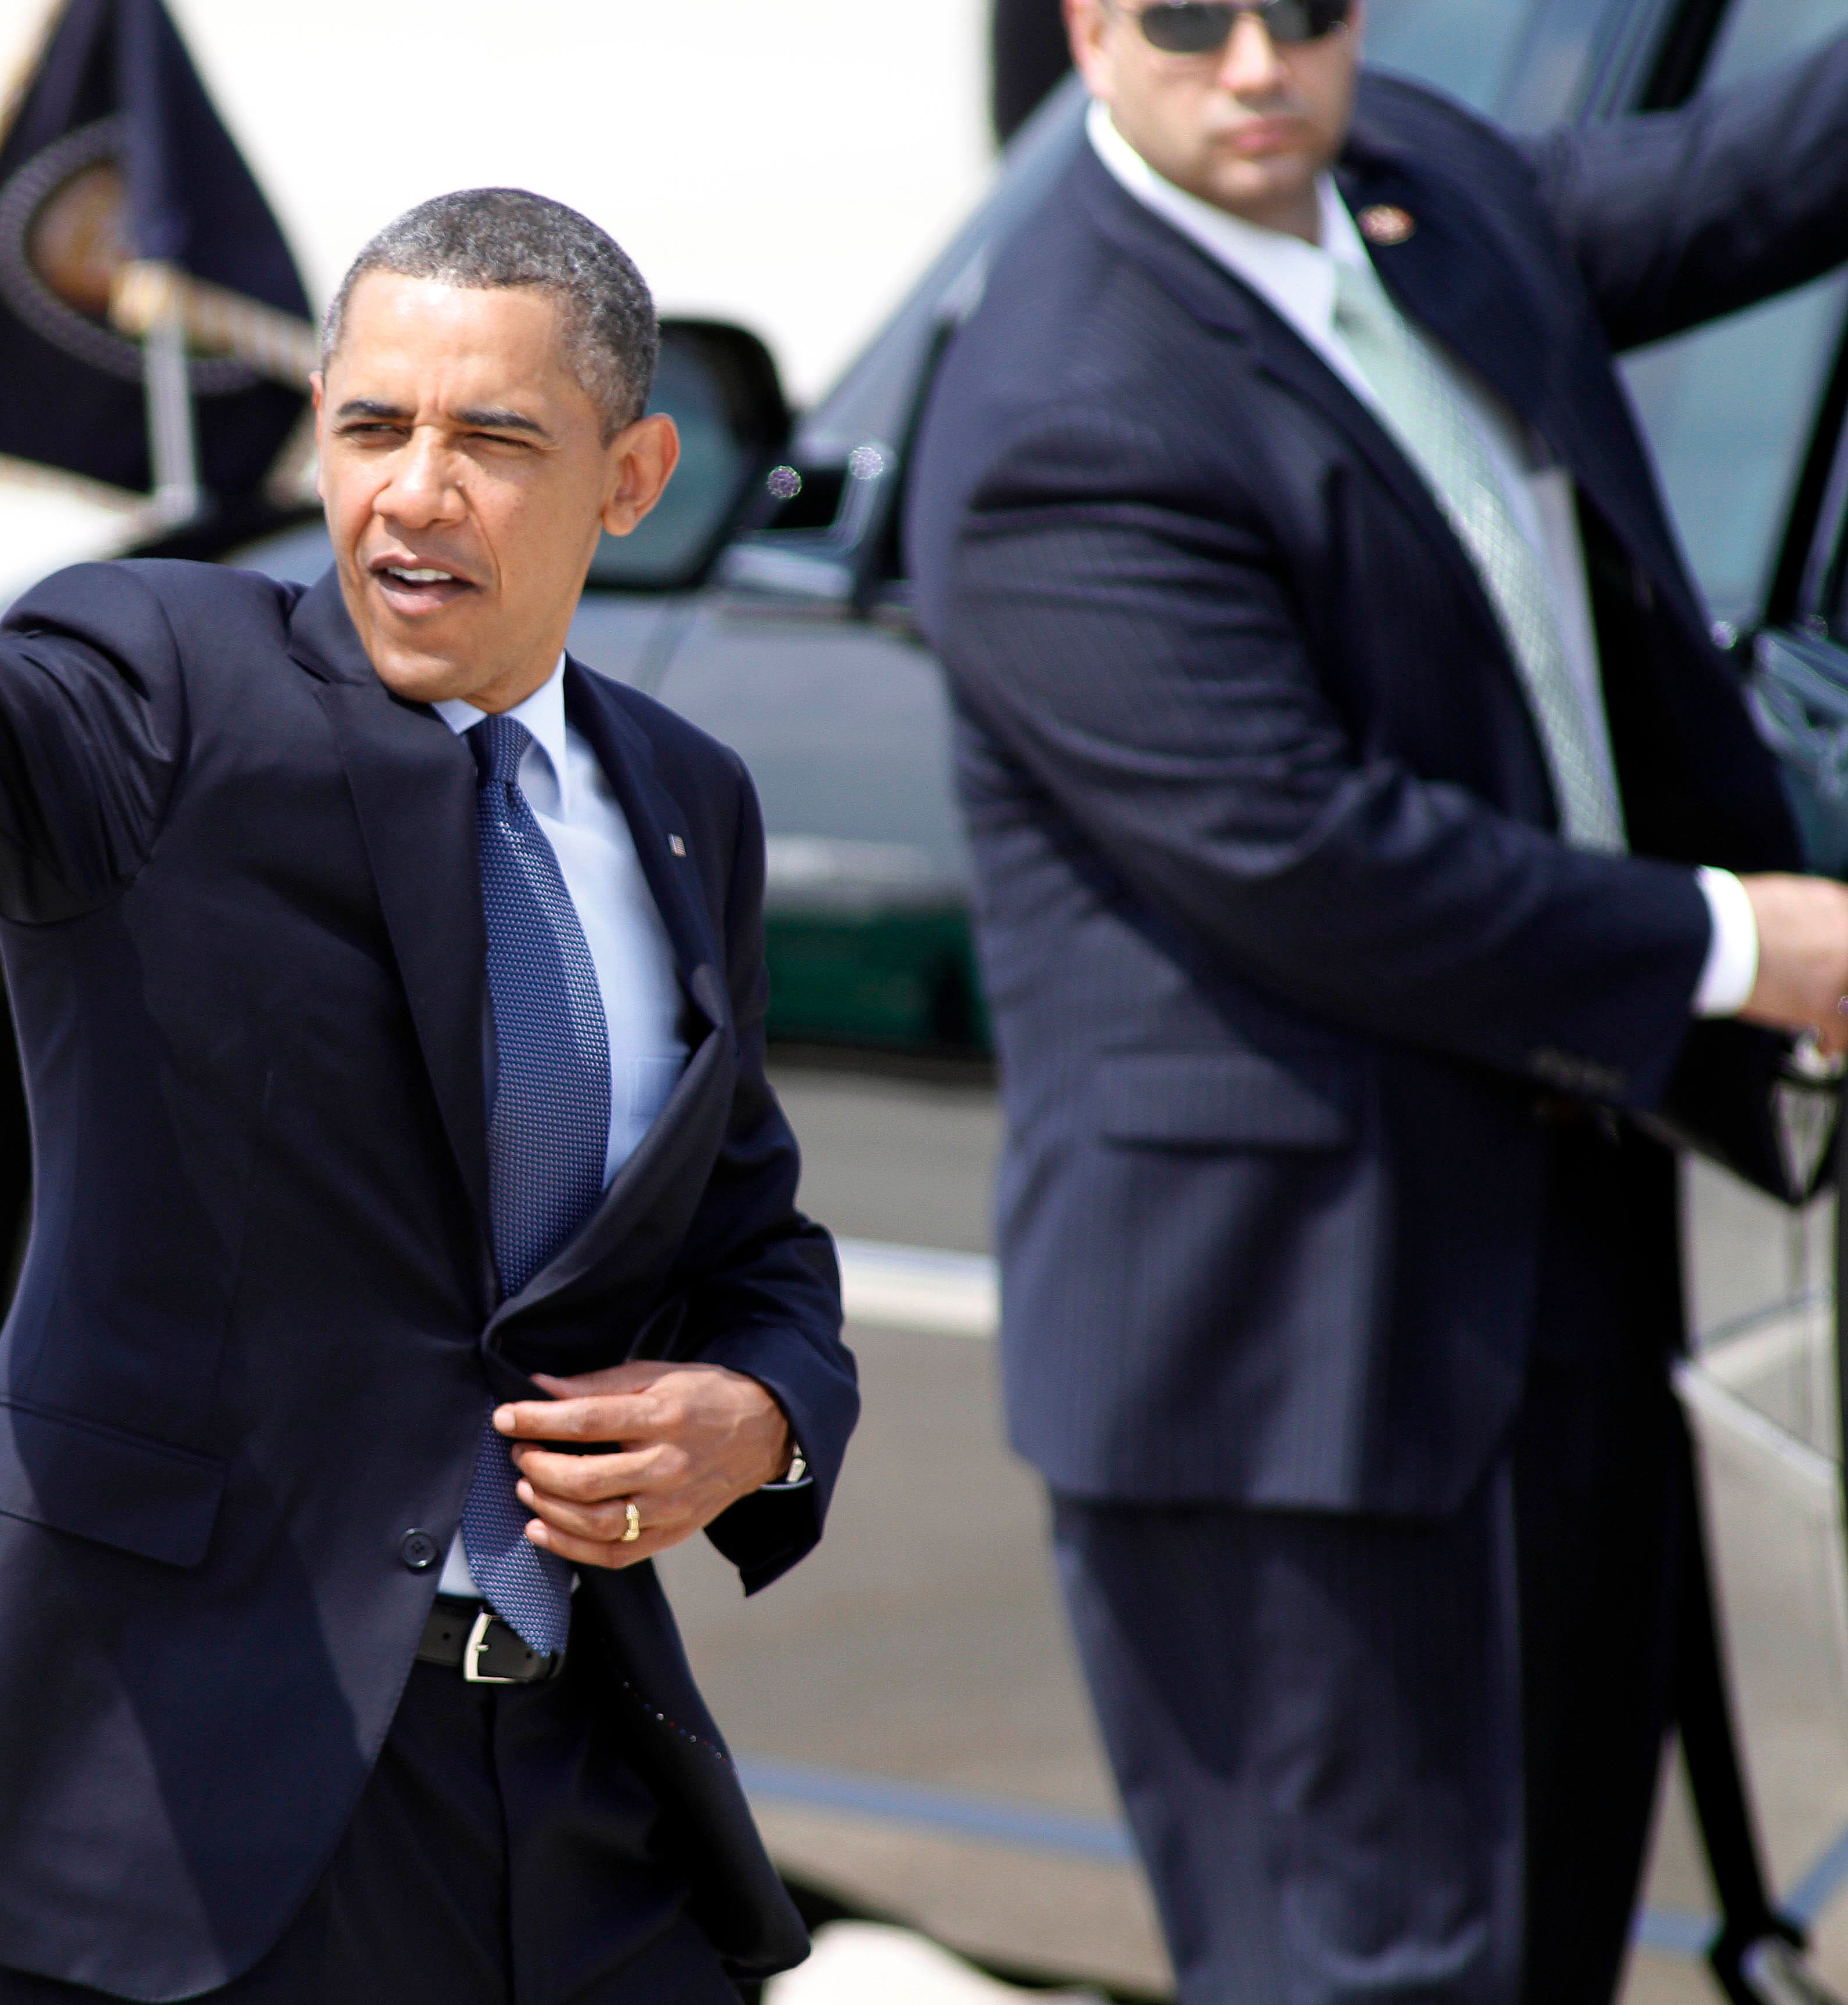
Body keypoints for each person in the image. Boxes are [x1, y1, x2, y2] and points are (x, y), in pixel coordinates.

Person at [0, 142, 858, 2004]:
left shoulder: (683, 803)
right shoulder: (167, 688)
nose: (414, 497)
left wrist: (757, 1415)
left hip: (578, 1814)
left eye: (496, 444)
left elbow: (753, 1236)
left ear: (633, 477)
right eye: (371, 428)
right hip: (192, 1809)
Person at [905, 2, 1848, 1999]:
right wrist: (1749, 944)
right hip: (1288, 1376)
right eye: (1184, 15)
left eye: (1307, 6)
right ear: (1083, 25)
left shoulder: (1415, 182)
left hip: (1552, 1275)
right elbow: (1306, 854)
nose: (1255, 61)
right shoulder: (1061, 405)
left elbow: (1757, 181)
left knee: (1545, 1957)